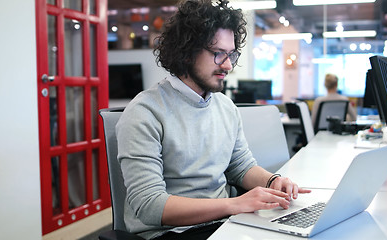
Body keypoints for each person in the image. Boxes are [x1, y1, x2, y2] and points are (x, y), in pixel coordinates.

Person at [116, 1, 310, 239]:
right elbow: (150, 206)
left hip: (223, 222)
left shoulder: (225, 106)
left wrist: (272, 181)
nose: (228, 65)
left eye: (231, 54)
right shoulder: (144, 112)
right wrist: (235, 204)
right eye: (218, 54)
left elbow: (240, 166)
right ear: (186, 52)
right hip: (171, 232)